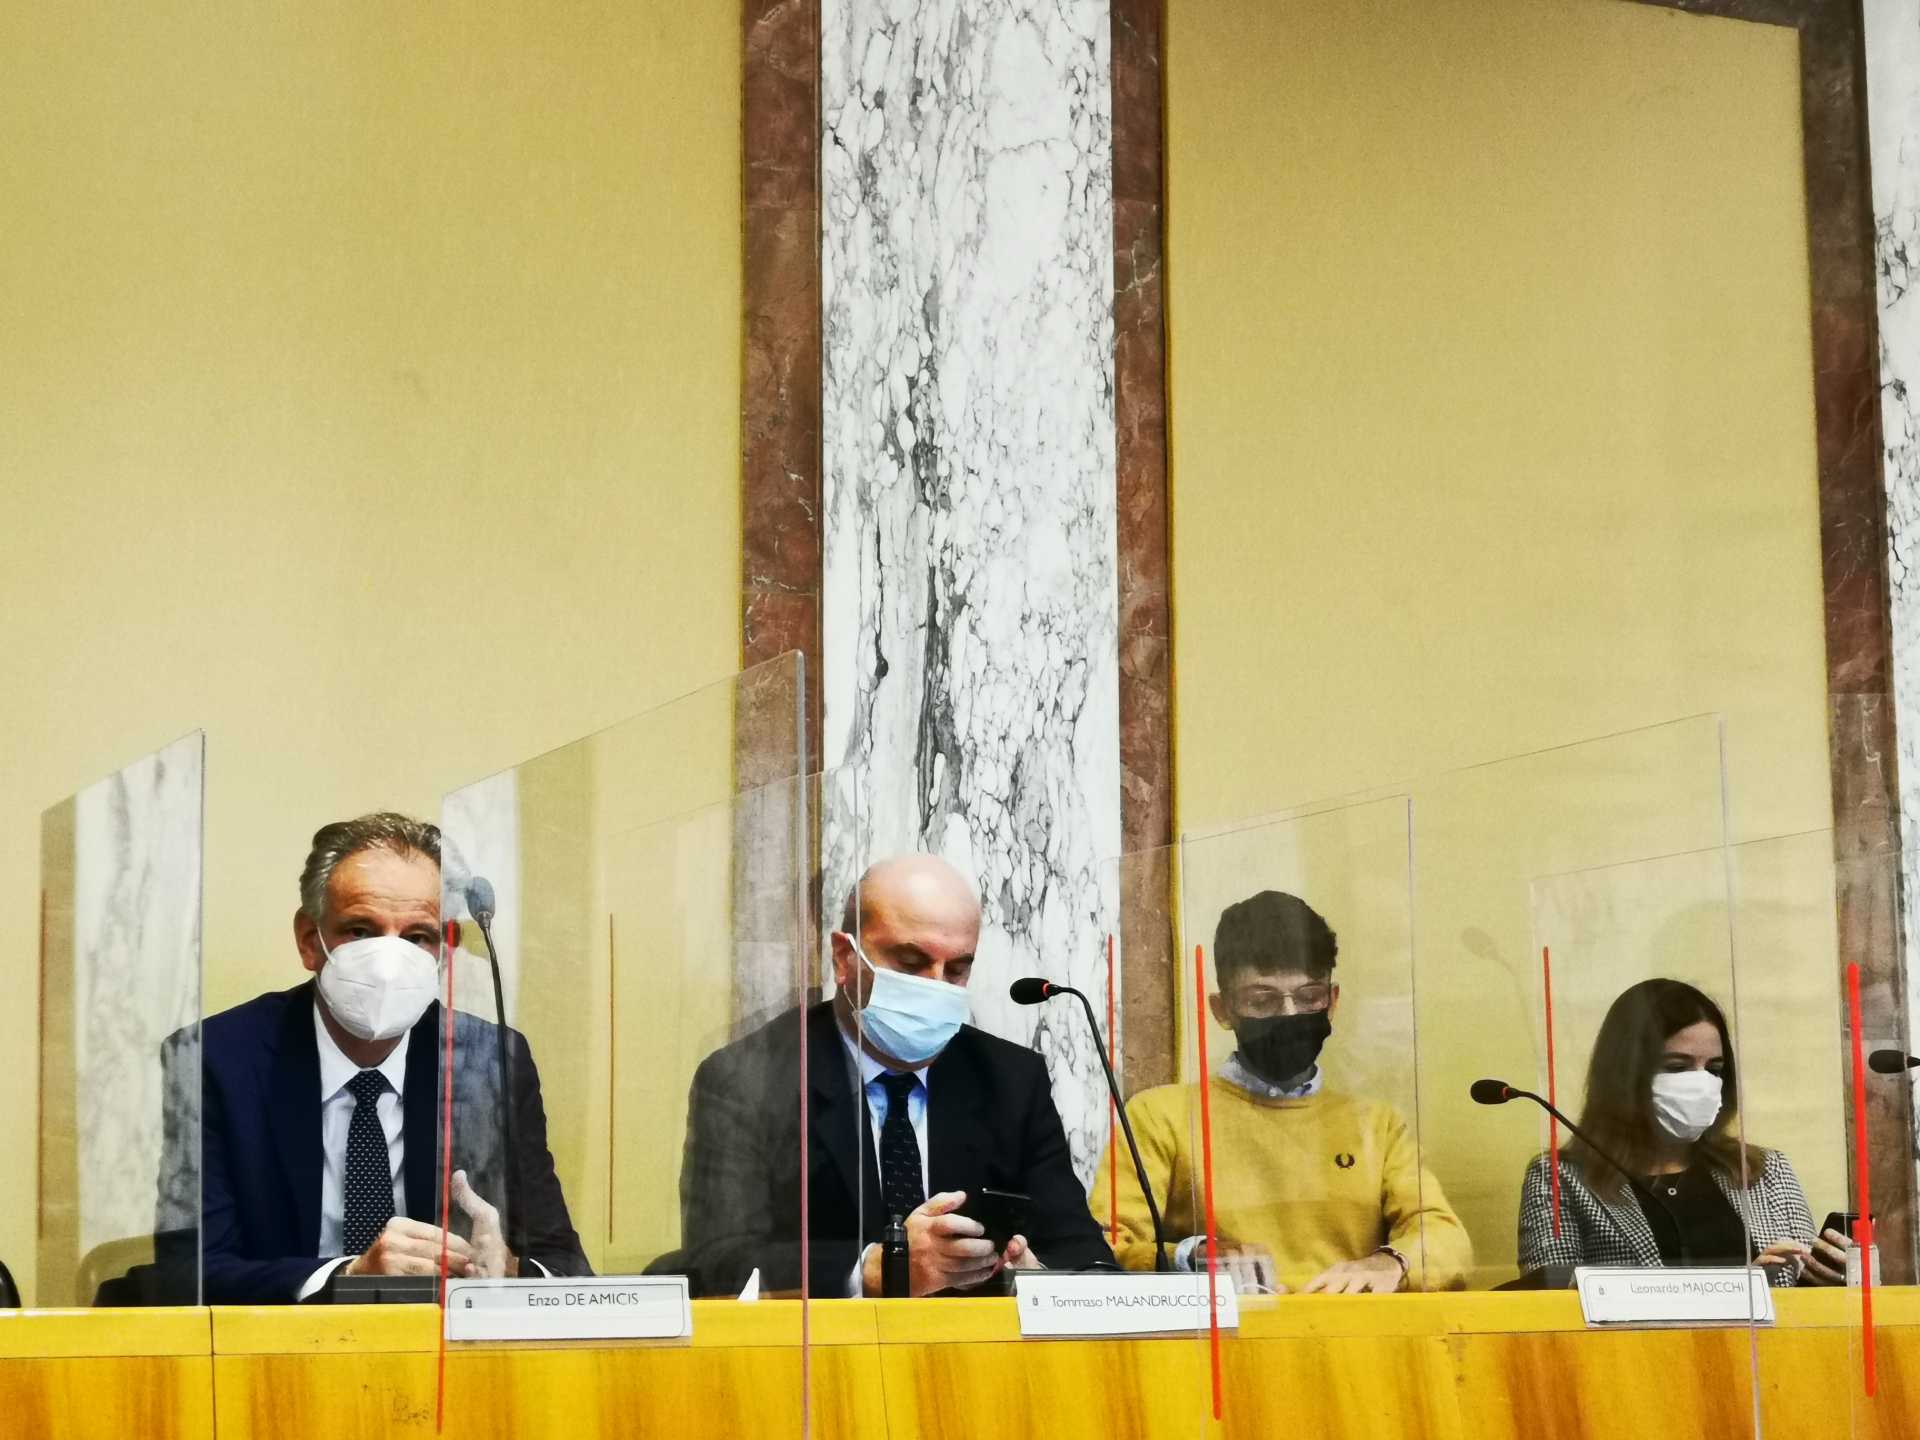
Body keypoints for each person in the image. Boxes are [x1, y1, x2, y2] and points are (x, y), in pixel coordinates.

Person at [187, 812, 589, 1302]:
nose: (388, 962)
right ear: (310, 940)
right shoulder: (218, 1058)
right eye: (361, 930)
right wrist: (349, 1276)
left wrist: (508, 1269)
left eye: (418, 937)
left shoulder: (491, 1061)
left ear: (445, 951)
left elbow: (565, 1267)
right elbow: (190, 1274)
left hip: (441, 1343)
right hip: (281, 1343)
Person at [673, 854, 1113, 1297]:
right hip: (826, 1340)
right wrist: (875, 1269)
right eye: (910, 962)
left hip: (975, 1340)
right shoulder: (748, 1079)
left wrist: (1032, 1277)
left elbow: (1086, 1259)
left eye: (957, 970)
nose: (935, 986)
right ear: (844, 958)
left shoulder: (1011, 1080)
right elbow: (718, 1264)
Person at [1106, 891, 1472, 1294]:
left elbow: (1445, 1238)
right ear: (1221, 1009)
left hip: (1351, 1327)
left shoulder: (1376, 1125)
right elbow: (1107, 1246)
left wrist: (1391, 1262)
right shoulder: (1161, 1116)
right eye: (1262, 1001)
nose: (1289, 1014)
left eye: (1309, 997)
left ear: (1332, 1002)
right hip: (1228, 1330)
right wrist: (1193, 1255)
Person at [1516, 978, 1835, 1285]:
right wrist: (1740, 1288)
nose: (1702, 1083)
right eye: (1676, 1066)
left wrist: (1837, 1277)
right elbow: (1551, 1304)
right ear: (1624, 1074)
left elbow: (1806, 1296)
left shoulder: (1766, 1171)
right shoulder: (1559, 1178)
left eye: (1714, 1069)